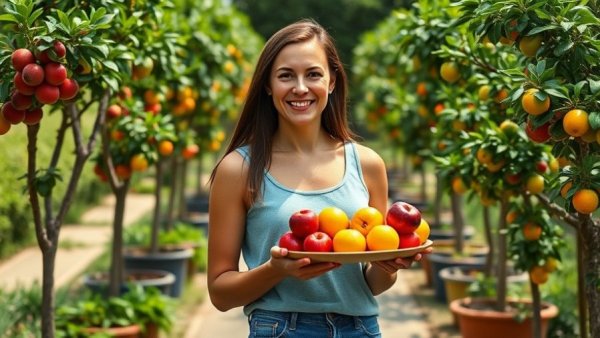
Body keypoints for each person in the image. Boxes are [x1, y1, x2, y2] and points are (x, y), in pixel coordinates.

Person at [207, 19, 430, 338]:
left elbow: (370, 284)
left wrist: (389, 267)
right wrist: (275, 271)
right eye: (286, 75)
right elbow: (220, 293)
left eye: (313, 74)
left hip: (361, 328)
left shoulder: (367, 164)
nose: (300, 88)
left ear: (332, 81)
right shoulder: (238, 169)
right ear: (268, 85)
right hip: (281, 329)